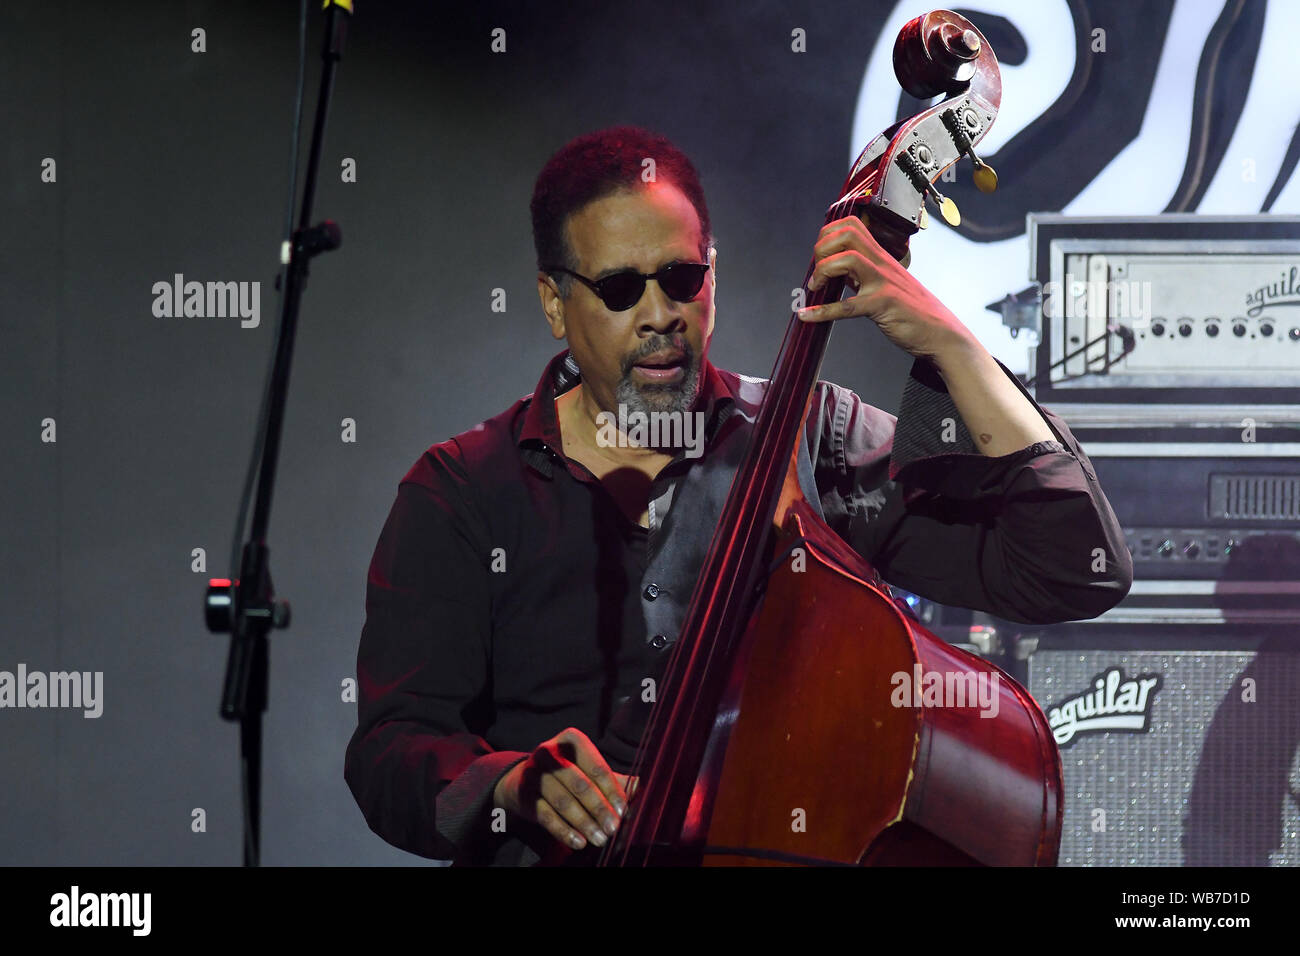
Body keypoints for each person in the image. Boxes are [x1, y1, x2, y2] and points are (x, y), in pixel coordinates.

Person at [344, 126, 1133, 866]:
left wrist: (950, 345)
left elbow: (1071, 567)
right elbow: (392, 753)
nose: (660, 316)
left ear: (711, 276)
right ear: (555, 301)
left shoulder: (814, 441)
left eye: (682, 279)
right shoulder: (462, 490)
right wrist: (512, 786)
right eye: (619, 289)